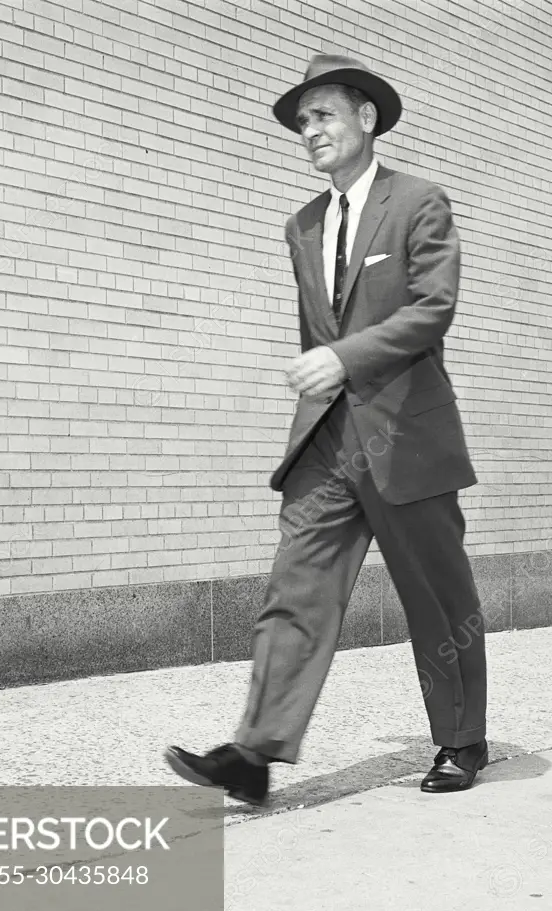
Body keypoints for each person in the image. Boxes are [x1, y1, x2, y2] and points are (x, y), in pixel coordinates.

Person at [165, 54, 488, 805]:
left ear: (366, 118)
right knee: (295, 590)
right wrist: (325, 374)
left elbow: (432, 309)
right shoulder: (303, 225)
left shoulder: (419, 203)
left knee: (438, 598)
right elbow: (319, 329)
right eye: (302, 122)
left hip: (407, 435)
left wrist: (341, 359)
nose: (310, 132)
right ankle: (256, 751)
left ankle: (462, 738)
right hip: (328, 446)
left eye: (323, 116)